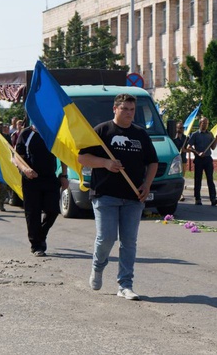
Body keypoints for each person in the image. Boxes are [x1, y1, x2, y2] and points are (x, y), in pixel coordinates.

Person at [78, 93, 158, 301]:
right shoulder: (102, 131)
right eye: (125, 109)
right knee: (106, 238)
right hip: (105, 195)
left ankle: (125, 285)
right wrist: (105, 163)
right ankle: (98, 266)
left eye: (132, 110)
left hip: (133, 196)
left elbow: (153, 162)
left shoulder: (140, 134)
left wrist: (147, 184)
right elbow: (82, 157)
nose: (129, 113)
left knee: (129, 241)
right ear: (115, 109)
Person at [15, 123, 68, 257]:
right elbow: (16, 157)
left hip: (50, 178)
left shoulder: (53, 132)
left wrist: (64, 175)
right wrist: (25, 170)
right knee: (33, 213)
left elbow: (63, 155)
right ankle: (36, 245)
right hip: (31, 179)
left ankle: (41, 235)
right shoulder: (26, 134)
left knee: (53, 210)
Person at [186, 116, 217, 206]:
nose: (205, 125)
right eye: (204, 123)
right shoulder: (195, 134)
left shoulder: (210, 134)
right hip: (198, 160)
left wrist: (216, 139)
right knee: (198, 180)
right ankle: (197, 199)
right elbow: (189, 147)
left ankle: (213, 198)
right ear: (200, 124)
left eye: (207, 123)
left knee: (210, 179)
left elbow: (213, 147)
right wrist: (197, 153)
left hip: (208, 159)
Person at [171, 122, 188, 201]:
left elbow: (189, 148)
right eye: (180, 128)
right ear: (176, 129)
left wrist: (185, 150)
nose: (181, 129)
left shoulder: (186, 138)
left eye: (182, 128)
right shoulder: (173, 139)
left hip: (183, 160)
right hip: (175, 161)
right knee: (175, 177)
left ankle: (181, 193)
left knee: (181, 177)